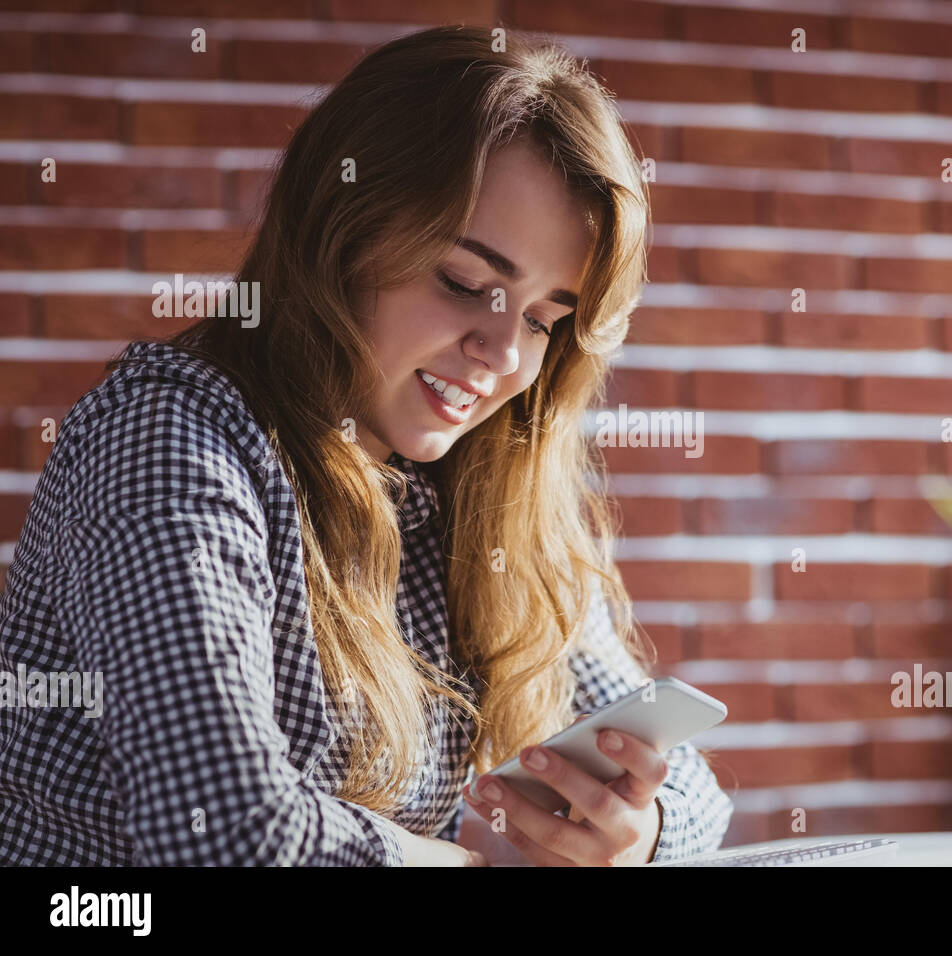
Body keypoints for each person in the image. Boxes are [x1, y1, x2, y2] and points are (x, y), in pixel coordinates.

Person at [0, 24, 732, 866]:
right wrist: (478, 864)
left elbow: (692, 787)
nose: (502, 356)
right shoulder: (168, 439)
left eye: (542, 319)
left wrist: (639, 834)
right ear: (341, 230)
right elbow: (224, 830)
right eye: (465, 283)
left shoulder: (482, 486)